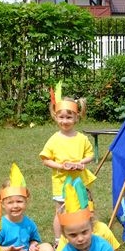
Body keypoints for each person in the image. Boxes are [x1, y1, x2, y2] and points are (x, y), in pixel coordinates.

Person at [39, 92, 96, 241]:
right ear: (55, 117)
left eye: (69, 117)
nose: (65, 121)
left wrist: (82, 162)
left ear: (76, 117)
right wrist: (60, 166)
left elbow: (90, 154)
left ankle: (84, 235)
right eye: (61, 117)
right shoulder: (54, 139)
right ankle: (58, 240)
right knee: (61, 211)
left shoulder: (82, 138)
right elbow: (45, 159)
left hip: (80, 181)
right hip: (61, 183)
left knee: (83, 207)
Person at [0, 163, 57, 251]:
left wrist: (33, 246)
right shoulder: (1, 225)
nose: (15, 206)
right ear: (3, 204)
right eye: (10, 202)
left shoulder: (29, 223)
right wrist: (8, 249)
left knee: (46, 247)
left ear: (26, 202)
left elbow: (34, 239)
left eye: (19, 201)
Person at [55, 187, 120, 251]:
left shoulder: (102, 229)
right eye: (73, 235)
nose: (80, 238)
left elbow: (114, 250)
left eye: (84, 232)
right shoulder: (68, 233)